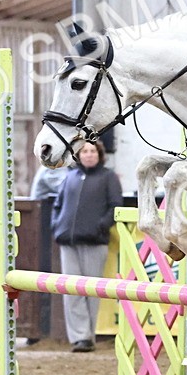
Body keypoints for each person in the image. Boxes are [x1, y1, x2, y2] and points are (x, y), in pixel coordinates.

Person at [51, 140, 123, 352]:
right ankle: (79, 337)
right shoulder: (70, 176)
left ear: (99, 155)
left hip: (95, 241)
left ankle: (87, 335)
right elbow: (58, 204)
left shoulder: (108, 177)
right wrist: (57, 226)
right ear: (78, 154)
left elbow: (115, 206)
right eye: (85, 151)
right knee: (71, 290)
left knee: (91, 290)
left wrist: (101, 226)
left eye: (93, 151)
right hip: (68, 241)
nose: (89, 154)